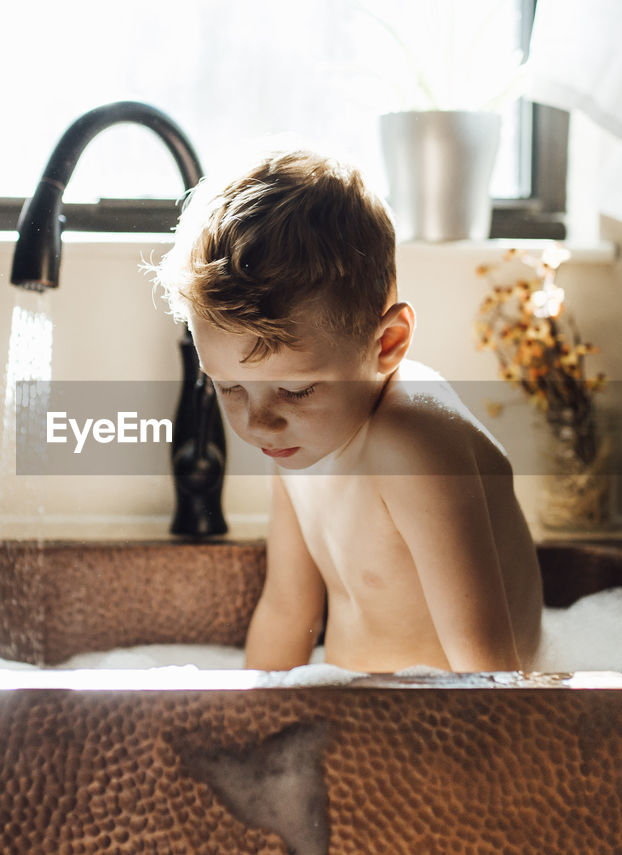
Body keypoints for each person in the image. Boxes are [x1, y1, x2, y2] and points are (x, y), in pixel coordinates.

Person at [153, 149, 542, 673]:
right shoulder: (297, 438)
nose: (257, 421)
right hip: (356, 728)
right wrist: (242, 735)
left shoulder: (412, 445)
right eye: (229, 388)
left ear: (387, 344)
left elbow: (493, 676)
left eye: (297, 390)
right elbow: (289, 611)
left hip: (448, 737)